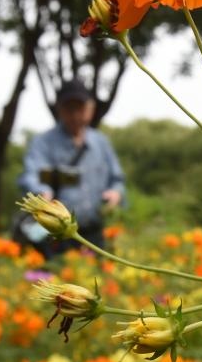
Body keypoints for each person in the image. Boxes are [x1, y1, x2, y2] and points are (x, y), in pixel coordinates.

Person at [18, 79, 126, 250]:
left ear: (91, 109)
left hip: (95, 232)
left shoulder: (101, 142)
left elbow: (117, 179)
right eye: (69, 108)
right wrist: (42, 194)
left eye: (80, 107)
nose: (75, 114)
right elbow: (31, 175)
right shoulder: (43, 142)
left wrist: (115, 193)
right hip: (57, 237)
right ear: (59, 110)